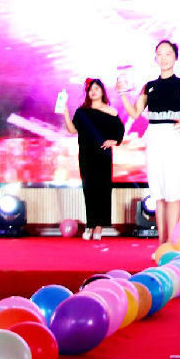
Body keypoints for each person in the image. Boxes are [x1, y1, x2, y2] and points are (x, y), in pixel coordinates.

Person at [123, 41, 180, 244]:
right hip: (154, 137)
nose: (163, 58)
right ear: (155, 58)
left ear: (175, 57)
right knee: (158, 193)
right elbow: (135, 113)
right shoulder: (149, 86)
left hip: (174, 139)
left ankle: (172, 243)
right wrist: (123, 95)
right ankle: (162, 244)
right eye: (159, 54)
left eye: (168, 54)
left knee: (172, 192)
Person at [62, 78, 125, 240]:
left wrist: (114, 141)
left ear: (102, 91)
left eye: (97, 88)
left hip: (103, 155)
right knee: (89, 190)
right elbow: (72, 130)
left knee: (102, 190)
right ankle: (90, 224)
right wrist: (65, 111)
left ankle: (99, 227)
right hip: (86, 154)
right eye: (91, 89)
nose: (93, 91)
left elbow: (119, 130)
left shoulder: (111, 111)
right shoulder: (82, 112)